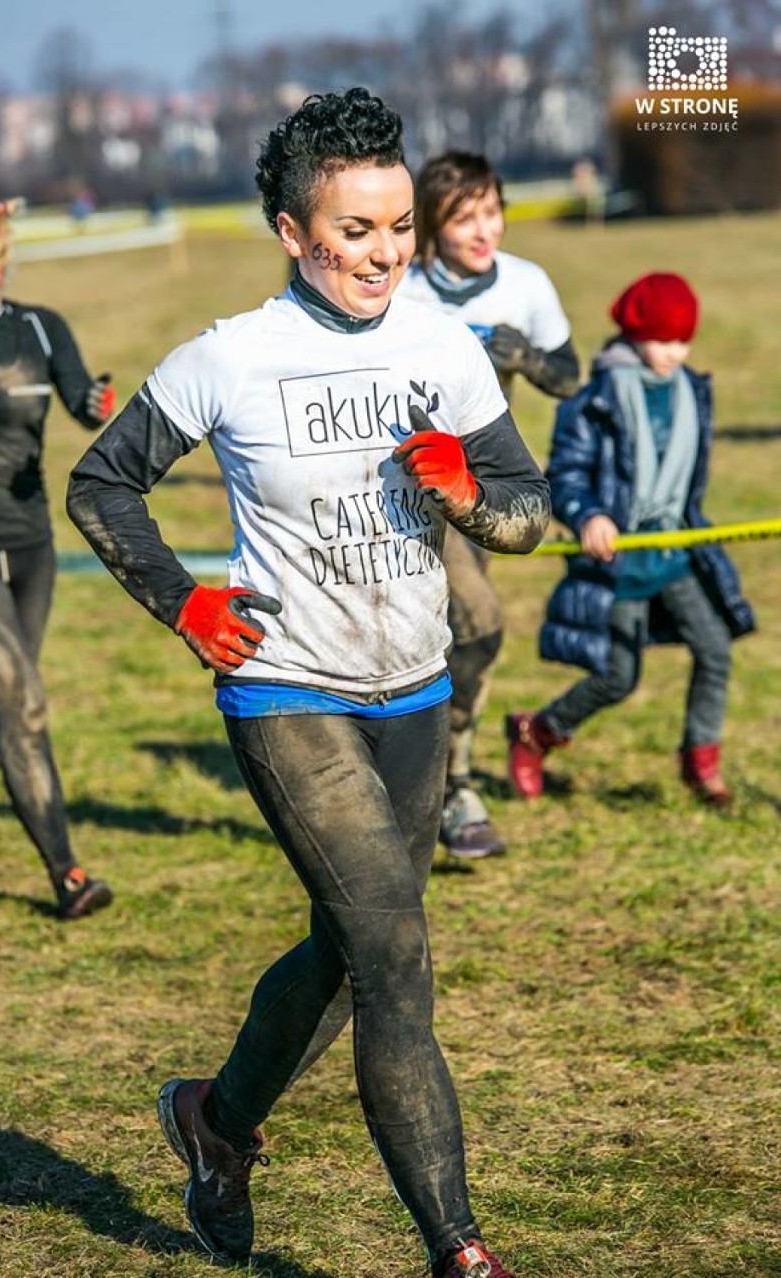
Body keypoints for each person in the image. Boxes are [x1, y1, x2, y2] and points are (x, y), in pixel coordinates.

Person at [67, 89, 550, 1278]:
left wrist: (469, 497)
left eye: (397, 228)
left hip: (416, 688)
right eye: (354, 232)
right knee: (394, 953)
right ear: (293, 232)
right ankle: (460, 1249)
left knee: (349, 948)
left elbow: (525, 516)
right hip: (286, 688)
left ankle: (217, 1123)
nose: (384, 253)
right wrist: (184, 600)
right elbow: (101, 486)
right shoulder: (228, 356)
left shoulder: (444, 345)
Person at [0, 200, 115, 918]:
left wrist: (96, 402)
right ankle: (67, 876)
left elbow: (81, 399)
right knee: (24, 703)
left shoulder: (40, 327)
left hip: (30, 546)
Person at [506, 272, 755, 805]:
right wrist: (588, 514)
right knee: (618, 678)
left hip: (675, 555)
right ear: (634, 333)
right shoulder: (595, 401)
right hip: (620, 565)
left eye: (684, 340)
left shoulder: (693, 392)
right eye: (662, 339)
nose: (674, 352)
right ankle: (537, 731)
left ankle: (701, 764)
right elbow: (566, 473)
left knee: (714, 648)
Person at [397, 152, 580, 859]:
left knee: (465, 635)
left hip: (484, 490)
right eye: (464, 218)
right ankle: (451, 785)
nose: (484, 231)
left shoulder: (527, 284)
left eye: (492, 212)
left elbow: (569, 374)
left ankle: (439, 776)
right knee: (475, 622)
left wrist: (528, 358)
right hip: (407, 488)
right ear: (433, 227)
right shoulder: (402, 287)